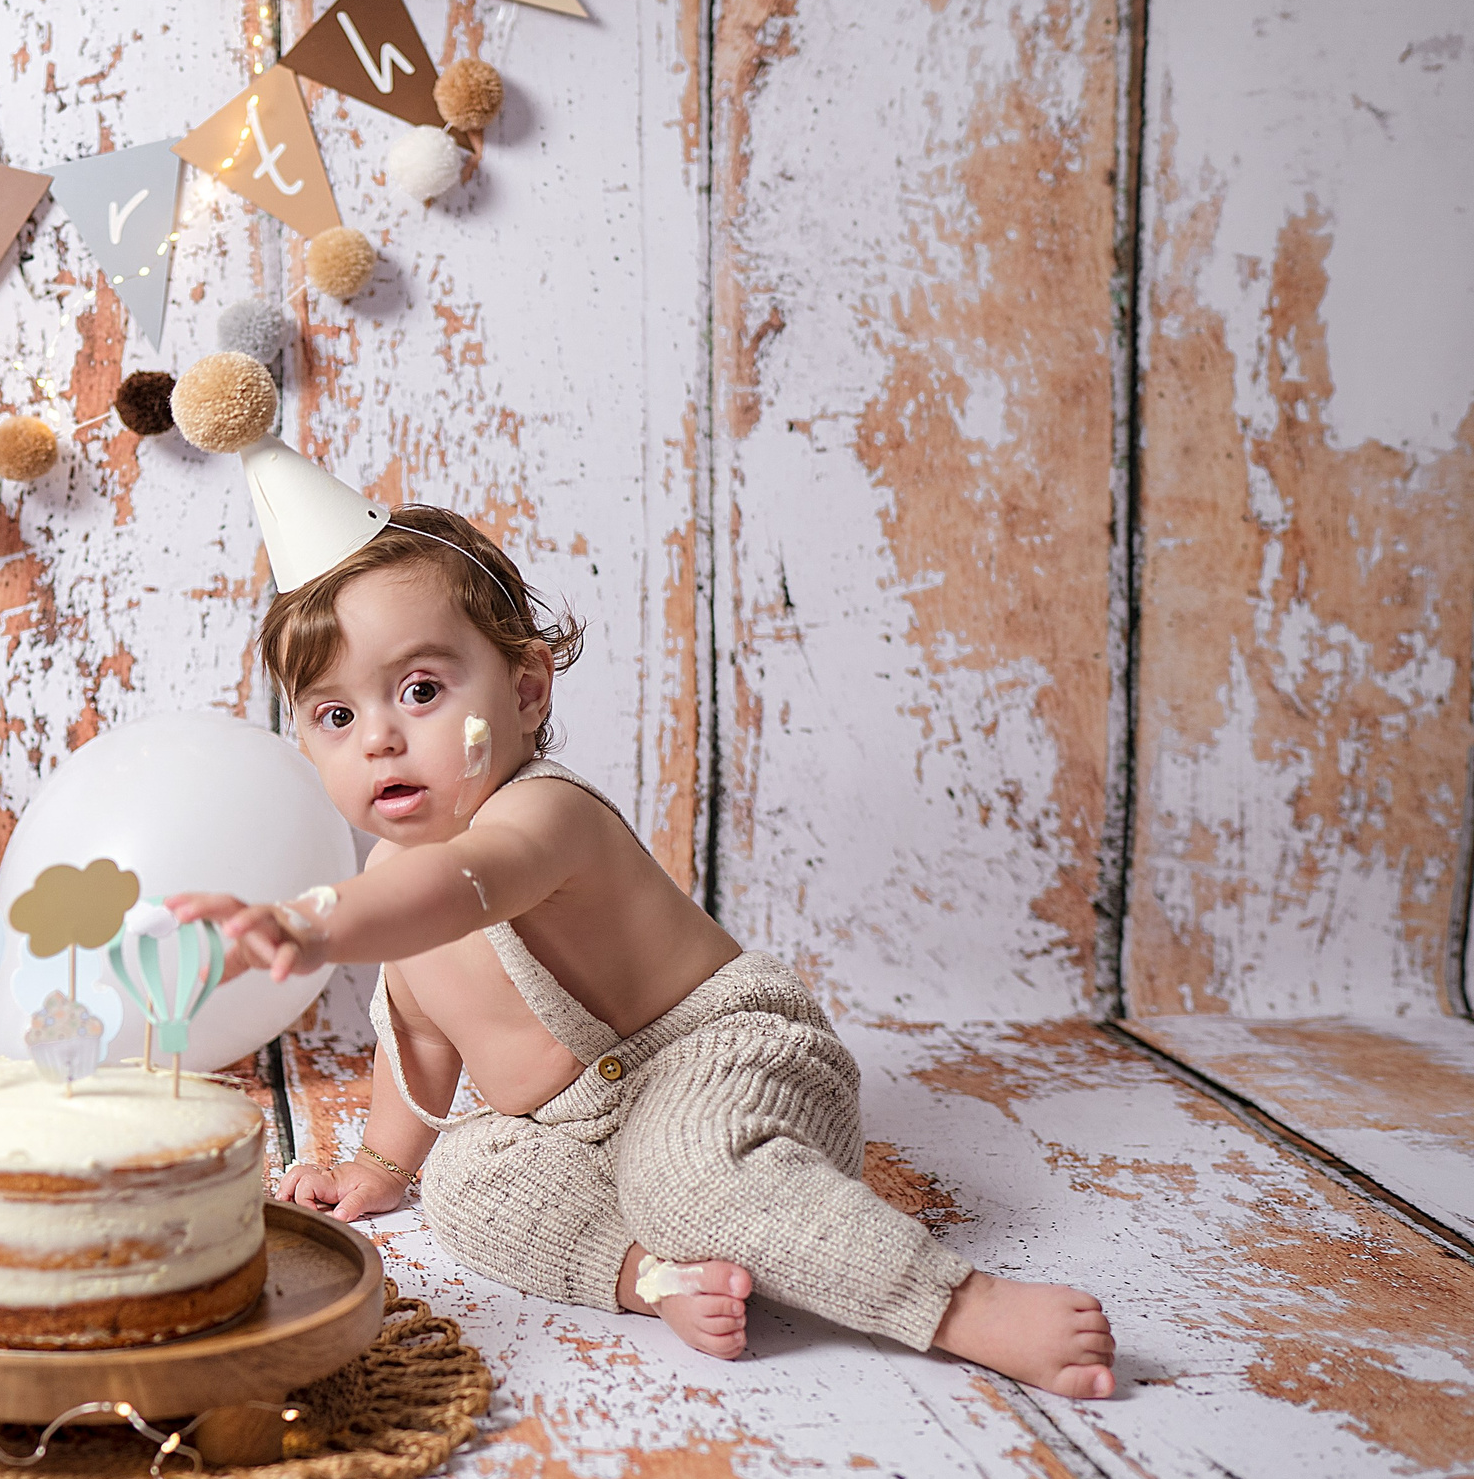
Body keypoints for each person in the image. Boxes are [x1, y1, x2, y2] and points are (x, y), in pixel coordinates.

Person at [171, 505, 1115, 1398]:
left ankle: (960, 1304)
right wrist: (382, 1164)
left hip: (722, 1063)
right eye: (335, 716)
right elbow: (419, 1041)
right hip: (579, 1132)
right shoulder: (387, 881)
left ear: (526, 690)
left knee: (690, 1176)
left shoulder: (541, 818)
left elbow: (464, 884)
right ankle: (650, 1274)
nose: (379, 738)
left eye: (421, 691)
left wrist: (314, 922)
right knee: (465, 1178)